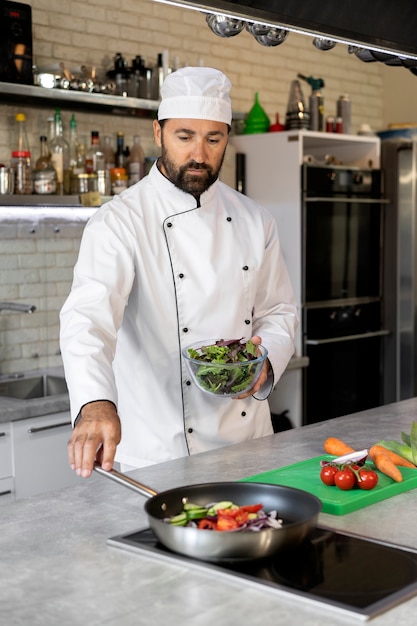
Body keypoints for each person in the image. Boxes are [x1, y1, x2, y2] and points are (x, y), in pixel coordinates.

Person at [60, 66, 298, 478]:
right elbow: (87, 320)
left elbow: (279, 311)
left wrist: (265, 363)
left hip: (249, 447)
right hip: (158, 453)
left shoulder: (255, 219)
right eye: (184, 137)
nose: (199, 155)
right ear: (158, 133)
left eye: (214, 138)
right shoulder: (120, 221)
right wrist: (96, 403)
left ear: (228, 138)